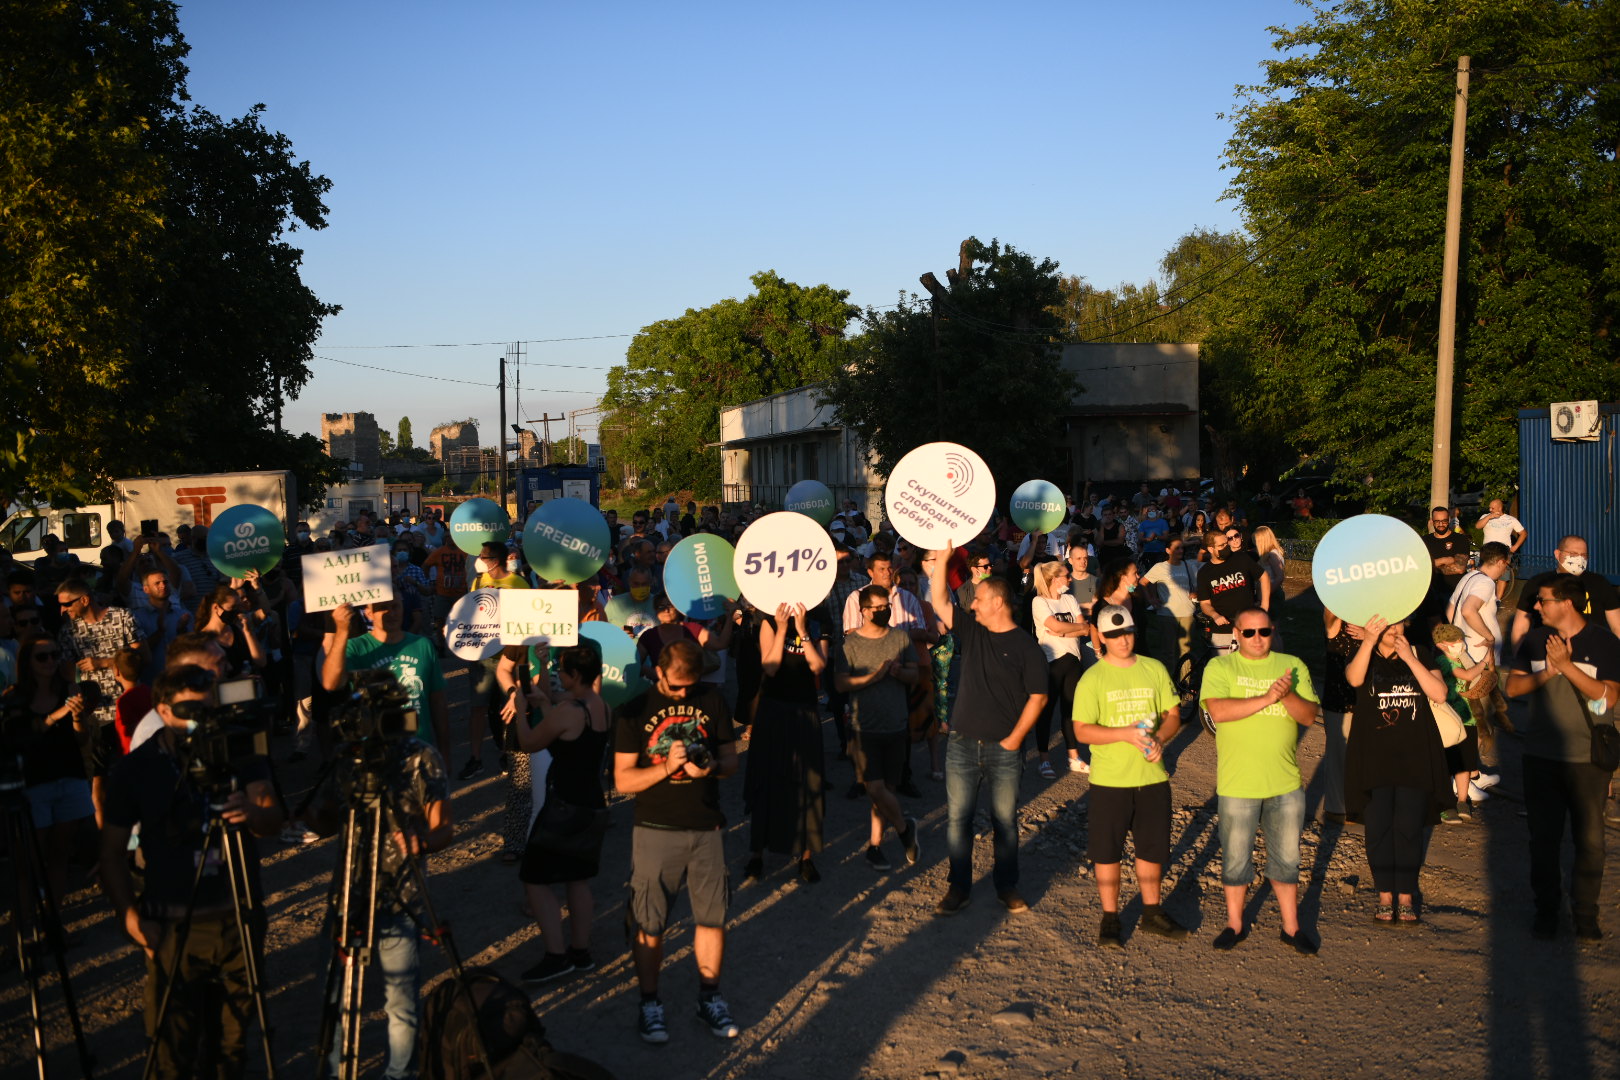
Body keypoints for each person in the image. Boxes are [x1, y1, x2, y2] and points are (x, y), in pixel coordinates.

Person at [99, 665, 283, 1080]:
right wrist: (130, 915)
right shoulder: (137, 769)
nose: (202, 719)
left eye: (209, 706)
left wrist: (252, 812)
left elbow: (272, 821)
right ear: (162, 711)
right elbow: (110, 854)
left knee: (233, 1048)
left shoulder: (239, 748)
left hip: (237, 918)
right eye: (190, 710)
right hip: (172, 925)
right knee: (172, 1050)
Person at [307, 673, 451, 1080]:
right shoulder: (347, 758)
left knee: (401, 1002)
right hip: (349, 895)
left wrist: (422, 842)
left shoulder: (422, 757)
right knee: (336, 1002)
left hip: (402, 895)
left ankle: (400, 1073)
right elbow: (323, 822)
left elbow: (444, 829)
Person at [613, 640, 742, 1044]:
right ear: (659, 671)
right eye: (676, 686)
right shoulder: (635, 709)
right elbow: (623, 780)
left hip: (707, 827)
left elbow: (731, 761)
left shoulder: (713, 700)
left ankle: (710, 997)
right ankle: (650, 1003)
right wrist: (666, 768)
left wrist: (712, 768)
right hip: (655, 827)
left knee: (712, 918)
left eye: (691, 685)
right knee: (650, 923)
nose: (684, 694)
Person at [928, 544, 1049, 916]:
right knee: (958, 820)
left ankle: (1006, 886)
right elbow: (939, 600)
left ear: (997, 602)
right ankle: (959, 887)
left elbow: (1039, 697)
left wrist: (1015, 739)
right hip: (962, 744)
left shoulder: (1027, 647)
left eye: (979, 599)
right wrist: (942, 559)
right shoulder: (973, 632)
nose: (973, 605)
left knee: (1005, 822)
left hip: (1005, 750)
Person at [1504, 575, 1620, 940]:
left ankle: (1585, 915)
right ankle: (1547, 911)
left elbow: (1609, 698)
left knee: (1591, 842)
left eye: (1544, 600)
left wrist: (1567, 666)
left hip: (1588, 760)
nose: (1536, 606)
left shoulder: (1604, 642)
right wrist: (1549, 671)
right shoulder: (1535, 640)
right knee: (1543, 840)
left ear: (1567, 603)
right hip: (1540, 756)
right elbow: (1513, 687)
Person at [1200, 607, 1321, 953]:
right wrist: (1268, 697)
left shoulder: (1291, 666)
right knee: (1236, 859)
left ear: (1273, 631)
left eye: (1264, 631)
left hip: (1284, 783)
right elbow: (1219, 711)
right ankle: (1234, 924)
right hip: (1238, 783)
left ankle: (1291, 927)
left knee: (1286, 859)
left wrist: (1287, 695)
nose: (1257, 638)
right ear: (1236, 634)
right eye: (1249, 632)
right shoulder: (1220, 667)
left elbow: (1309, 716)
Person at [1072, 605, 1186, 945]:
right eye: (1114, 635)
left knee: (1151, 848)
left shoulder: (1154, 668)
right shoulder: (1092, 678)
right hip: (1110, 781)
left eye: (1128, 633)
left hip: (1152, 777)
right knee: (1107, 852)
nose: (1123, 640)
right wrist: (1123, 734)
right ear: (1102, 637)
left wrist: (1160, 739)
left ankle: (1152, 912)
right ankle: (1110, 918)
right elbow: (1082, 730)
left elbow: (1173, 714)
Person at [1343, 615, 1453, 922]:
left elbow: (1440, 694)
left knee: (1408, 827)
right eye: (1387, 625)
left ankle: (1405, 895)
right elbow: (1354, 680)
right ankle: (1384, 895)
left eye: (1399, 624)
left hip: (1414, 756)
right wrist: (1368, 641)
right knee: (1378, 827)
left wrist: (1409, 658)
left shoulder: (1419, 652)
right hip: (1373, 756)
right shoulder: (1364, 652)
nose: (1393, 631)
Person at [513, 644, 609, 983]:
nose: (558, 674)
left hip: (564, 806)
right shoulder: (600, 706)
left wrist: (522, 711)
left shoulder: (569, 710)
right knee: (578, 879)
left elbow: (529, 743)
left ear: (575, 675)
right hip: (592, 803)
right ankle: (580, 952)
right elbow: (570, 739)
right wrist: (546, 704)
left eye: (562, 671)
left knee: (534, 878)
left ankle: (556, 956)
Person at [835, 585, 921, 873]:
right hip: (864, 727)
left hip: (896, 724)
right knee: (874, 787)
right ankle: (904, 829)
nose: (885, 611)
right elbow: (840, 684)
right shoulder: (850, 644)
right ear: (864, 611)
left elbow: (915, 675)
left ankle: (875, 846)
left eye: (887, 606)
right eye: (879, 608)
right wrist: (873, 677)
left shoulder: (900, 638)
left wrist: (899, 672)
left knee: (886, 791)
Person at [743, 602, 828, 883]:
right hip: (773, 709)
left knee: (807, 782)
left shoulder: (817, 620)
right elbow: (770, 667)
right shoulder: (769, 620)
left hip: (804, 709)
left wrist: (803, 632)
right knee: (766, 778)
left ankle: (806, 856)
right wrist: (781, 630)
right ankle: (757, 854)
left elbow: (818, 666)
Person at [10, 631, 93, 906]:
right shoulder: (15, 696)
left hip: (69, 776)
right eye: (42, 657)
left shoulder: (69, 690)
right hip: (35, 783)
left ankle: (55, 919)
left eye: (55, 655)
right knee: (29, 860)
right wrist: (55, 717)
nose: (50, 662)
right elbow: (20, 739)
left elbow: (82, 739)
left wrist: (78, 717)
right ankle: (27, 922)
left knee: (60, 854)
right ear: (28, 661)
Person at [56, 577, 145, 825]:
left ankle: (138, 833)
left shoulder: (122, 617)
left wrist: (104, 662)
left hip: (129, 708)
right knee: (99, 781)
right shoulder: (69, 631)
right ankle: (105, 836)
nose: (62, 610)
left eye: (67, 604)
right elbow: (66, 674)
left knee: (135, 774)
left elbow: (142, 655)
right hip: (95, 716)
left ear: (85, 599)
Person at [321, 597, 449, 751]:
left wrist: (444, 752)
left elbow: (438, 701)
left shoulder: (422, 645)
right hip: (376, 750)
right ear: (368, 613)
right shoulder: (356, 648)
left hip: (419, 748)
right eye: (382, 607)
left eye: (395, 606)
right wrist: (342, 630)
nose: (391, 613)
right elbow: (330, 683)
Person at [1508, 535, 1620, 654]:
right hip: (1547, 654)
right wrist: (1519, 657)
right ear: (1557, 554)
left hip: (1592, 655)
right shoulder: (1538, 583)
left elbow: (1617, 626)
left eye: (1583, 555)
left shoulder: (1600, 583)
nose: (1579, 559)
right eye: (1573, 554)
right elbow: (1521, 625)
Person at [1031, 561, 1089, 777]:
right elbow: (1054, 625)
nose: (1070, 579)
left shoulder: (1069, 599)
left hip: (1073, 660)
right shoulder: (1039, 601)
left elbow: (1085, 629)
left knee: (1070, 711)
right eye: (1066, 576)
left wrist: (1064, 632)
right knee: (1046, 711)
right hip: (1051, 662)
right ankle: (1044, 759)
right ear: (1055, 579)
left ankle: (1073, 757)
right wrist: (1071, 628)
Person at [1196, 529, 1269, 653]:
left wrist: (1264, 606)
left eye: (1226, 543)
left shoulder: (1241, 558)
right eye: (1221, 545)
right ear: (1210, 549)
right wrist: (1215, 615)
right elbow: (1205, 603)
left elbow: (1264, 576)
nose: (1226, 547)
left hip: (1248, 624)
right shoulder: (1204, 573)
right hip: (1222, 628)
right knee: (1223, 663)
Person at [1143, 537, 1199, 673]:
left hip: (1187, 613)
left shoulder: (1188, 565)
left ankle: (1184, 681)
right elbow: (1143, 582)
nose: (1180, 551)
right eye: (1176, 548)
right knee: (1168, 651)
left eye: (1181, 548)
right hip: (1167, 615)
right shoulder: (1160, 567)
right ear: (1168, 550)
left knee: (1186, 651)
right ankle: (1169, 680)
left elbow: (1196, 586)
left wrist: (1195, 593)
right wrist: (1151, 599)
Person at [195, 584, 267, 676]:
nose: (236, 612)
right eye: (232, 607)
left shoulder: (239, 628)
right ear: (216, 607)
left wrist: (248, 632)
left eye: (238, 607)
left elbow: (261, 662)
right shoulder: (203, 639)